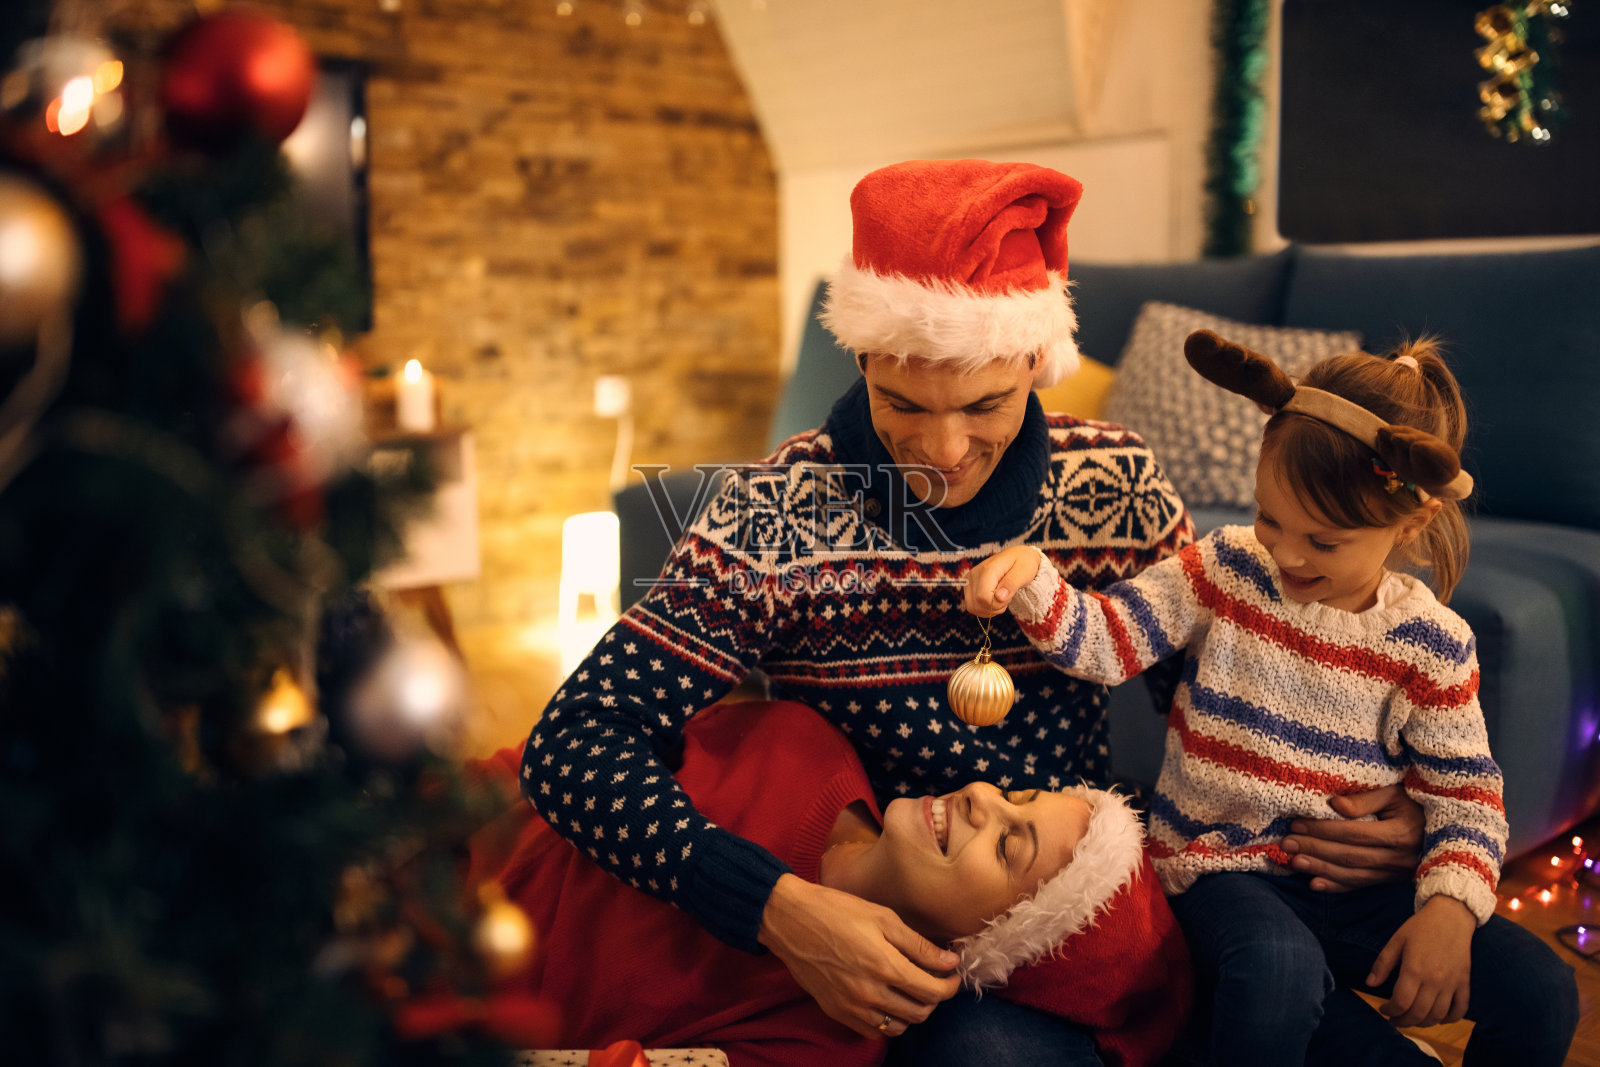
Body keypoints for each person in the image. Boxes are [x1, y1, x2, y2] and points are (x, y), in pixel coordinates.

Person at [522, 158, 1428, 1064]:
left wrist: (1381, 814)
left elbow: (1228, 700)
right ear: (863, 354)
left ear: (1040, 360)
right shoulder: (770, 516)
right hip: (911, 954)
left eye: (987, 403)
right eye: (901, 403)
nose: (943, 451)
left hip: (1101, 898)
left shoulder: (1114, 482)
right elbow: (573, 741)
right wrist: (774, 907)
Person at [963, 329, 1579, 1064]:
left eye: (1323, 542)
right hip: (1218, 869)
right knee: (1278, 970)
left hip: (1354, 893)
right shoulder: (1229, 566)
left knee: (1545, 991)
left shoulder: (1433, 642)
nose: (1286, 553)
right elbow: (1108, 640)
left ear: (1407, 523)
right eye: (1270, 519)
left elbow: (1467, 796)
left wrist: (1449, 907)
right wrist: (1032, 577)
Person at [472, 699, 1191, 1066]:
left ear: (988, 947)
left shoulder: (826, 1042)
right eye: (1018, 797)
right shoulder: (796, 739)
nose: (982, 797)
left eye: (1009, 848)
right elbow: (552, 760)